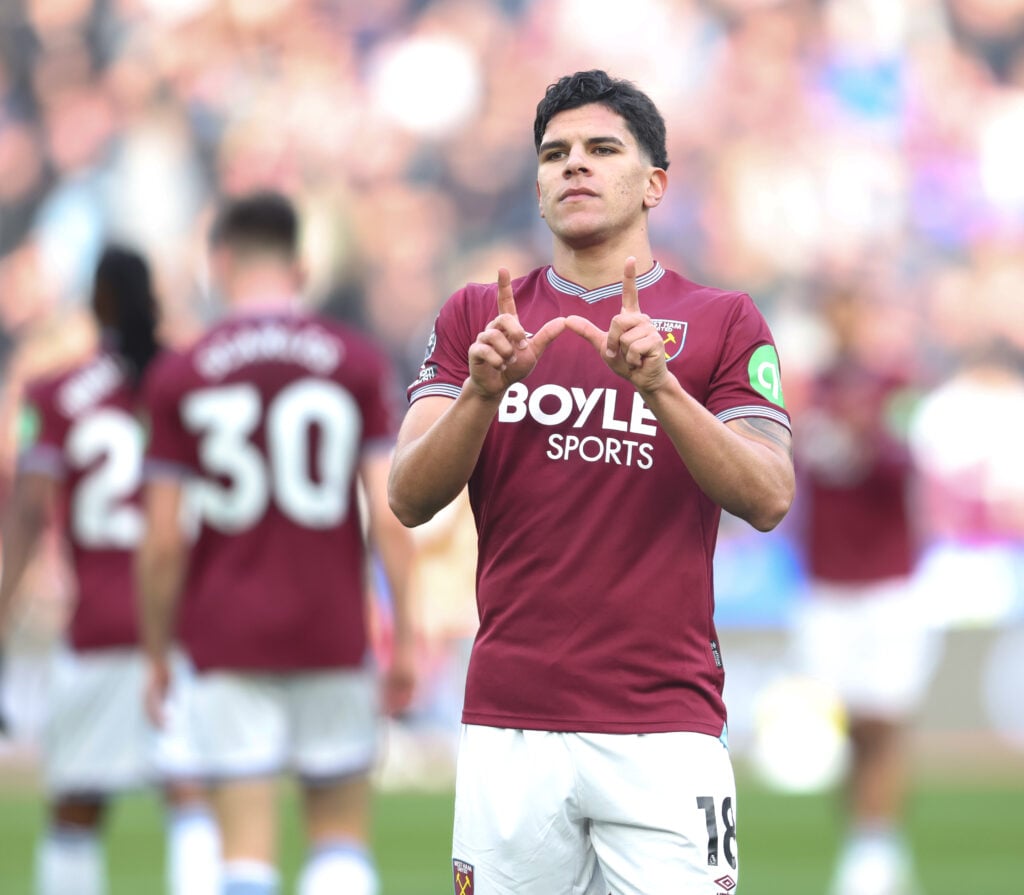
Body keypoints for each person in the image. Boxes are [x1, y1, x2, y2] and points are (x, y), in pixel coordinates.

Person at [388, 69, 795, 895]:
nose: (574, 165)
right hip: (510, 720)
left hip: (662, 723)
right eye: (555, 153)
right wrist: (480, 390)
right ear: (536, 186)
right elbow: (407, 495)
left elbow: (768, 494)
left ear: (654, 184)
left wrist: (662, 388)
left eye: (602, 149)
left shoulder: (723, 320)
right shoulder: (479, 318)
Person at [137, 190, 417, 895]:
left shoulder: (183, 370)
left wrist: (156, 649)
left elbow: (163, 539)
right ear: (300, 265)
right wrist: (404, 636)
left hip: (225, 629)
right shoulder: (353, 360)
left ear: (221, 262)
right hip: (330, 624)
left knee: (245, 852)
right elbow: (388, 513)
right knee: (339, 835)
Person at [0, 245, 220, 895]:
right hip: (183, 621)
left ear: (95, 304)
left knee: (76, 804)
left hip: (96, 622)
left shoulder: (54, 392)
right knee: (191, 796)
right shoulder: (192, 382)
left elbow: (26, 515)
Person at [790, 284, 941, 895]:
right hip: (826, 583)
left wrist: (870, 433)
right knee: (849, 724)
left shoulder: (897, 387)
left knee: (884, 717)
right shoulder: (805, 394)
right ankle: (864, 836)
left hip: (887, 583)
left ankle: (875, 847)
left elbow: (909, 464)